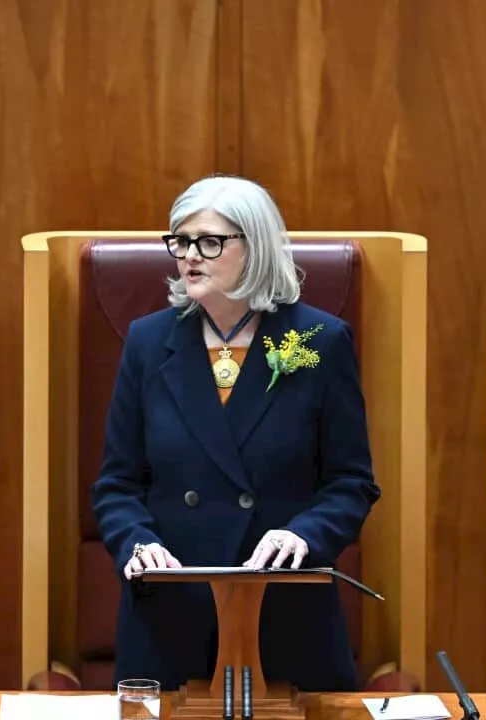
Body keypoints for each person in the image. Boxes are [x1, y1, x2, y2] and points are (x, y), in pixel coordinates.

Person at [90, 174, 381, 692]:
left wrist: (303, 534)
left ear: (256, 246)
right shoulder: (148, 342)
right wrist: (136, 541)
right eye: (180, 241)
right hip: (172, 613)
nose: (189, 257)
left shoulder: (318, 340)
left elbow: (351, 483)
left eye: (209, 241)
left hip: (281, 611)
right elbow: (117, 484)